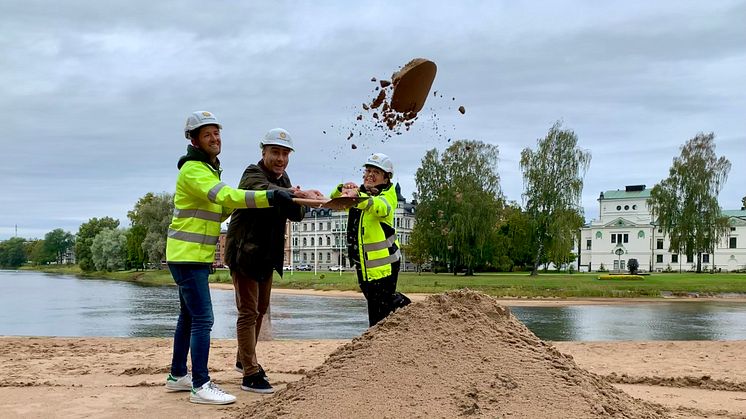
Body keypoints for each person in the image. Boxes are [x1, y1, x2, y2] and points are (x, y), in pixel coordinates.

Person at [163, 111, 295, 405]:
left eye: (217, 133)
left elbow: (222, 209)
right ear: (194, 139)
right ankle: (200, 384)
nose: (215, 138)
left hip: (192, 255)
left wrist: (288, 195)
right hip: (188, 256)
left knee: (187, 317)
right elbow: (226, 198)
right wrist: (270, 197)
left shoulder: (209, 170)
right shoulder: (194, 170)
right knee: (203, 319)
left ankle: (176, 375)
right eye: (207, 134)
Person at [223, 128, 323, 394]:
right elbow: (266, 192)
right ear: (263, 152)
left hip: (266, 255)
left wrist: (306, 199)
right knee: (248, 311)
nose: (280, 159)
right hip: (245, 252)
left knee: (261, 309)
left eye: (285, 154)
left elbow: (297, 213)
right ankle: (250, 372)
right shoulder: (251, 174)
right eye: (275, 152)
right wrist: (290, 192)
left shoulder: (284, 178)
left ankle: (243, 357)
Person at [331, 152, 411, 326]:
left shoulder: (388, 195)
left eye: (376, 172)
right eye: (368, 171)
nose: (370, 175)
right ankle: (410, 315)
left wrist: (357, 198)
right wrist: (342, 189)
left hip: (384, 263)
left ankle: (410, 314)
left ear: (386, 177)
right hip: (364, 263)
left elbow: (379, 207)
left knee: (378, 312)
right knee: (381, 304)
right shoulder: (360, 193)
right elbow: (336, 202)